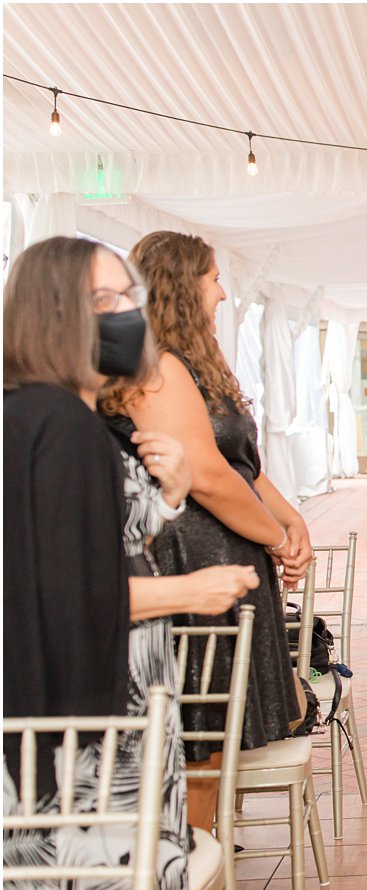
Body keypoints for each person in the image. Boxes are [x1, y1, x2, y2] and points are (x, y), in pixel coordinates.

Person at [3, 237, 255, 890]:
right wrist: (193, 592)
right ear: (56, 315)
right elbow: (67, 595)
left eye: (129, 298)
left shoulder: (44, 418)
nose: (129, 316)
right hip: (87, 734)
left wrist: (170, 494)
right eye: (109, 301)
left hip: (78, 719)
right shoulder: (62, 427)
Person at [100, 230, 310, 832]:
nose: (222, 291)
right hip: (188, 559)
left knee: (216, 741)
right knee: (198, 738)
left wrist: (292, 521)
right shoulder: (156, 366)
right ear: (182, 285)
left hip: (223, 551)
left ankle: (207, 873)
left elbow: (242, 465)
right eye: (214, 277)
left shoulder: (195, 364)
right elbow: (208, 477)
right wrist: (273, 539)